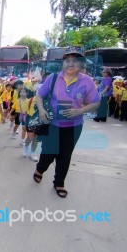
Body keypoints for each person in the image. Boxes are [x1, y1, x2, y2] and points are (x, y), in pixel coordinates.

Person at [33, 46, 100, 198]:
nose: (71, 64)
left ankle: (59, 182)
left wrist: (79, 111)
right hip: (53, 123)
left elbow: (95, 102)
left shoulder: (87, 81)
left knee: (65, 155)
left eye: (75, 61)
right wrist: (42, 110)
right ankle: (40, 169)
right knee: (49, 152)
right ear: (63, 62)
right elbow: (40, 96)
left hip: (74, 126)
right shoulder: (53, 78)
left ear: (81, 63)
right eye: (67, 60)